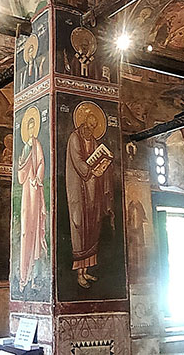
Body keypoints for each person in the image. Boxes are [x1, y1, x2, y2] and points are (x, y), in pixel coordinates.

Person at [64, 102, 113, 289]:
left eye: (93, 127)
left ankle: (86, 270)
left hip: (93, 191)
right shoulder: (74, 138)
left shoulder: (93, 141)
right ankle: (79, 273)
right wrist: (90, 170)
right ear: (83, 123)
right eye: (88, 126)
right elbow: (77, 161)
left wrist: (103, 166)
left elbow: (97, 160)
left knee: (92, 226)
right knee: (80, 226)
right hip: (79, 190)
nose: (90, 130)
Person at [16, 108, 46, 290]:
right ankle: (24, 274)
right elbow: (20, 174)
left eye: (33, 126)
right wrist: (22, 165)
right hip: (26, 189)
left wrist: (37, 179)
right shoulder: (25, 147)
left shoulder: (37, 145)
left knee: (34, 223)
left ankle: (34, 272)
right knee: (26, 226)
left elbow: (41, 162)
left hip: (34, 187)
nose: (31, 129)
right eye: (29, 126)